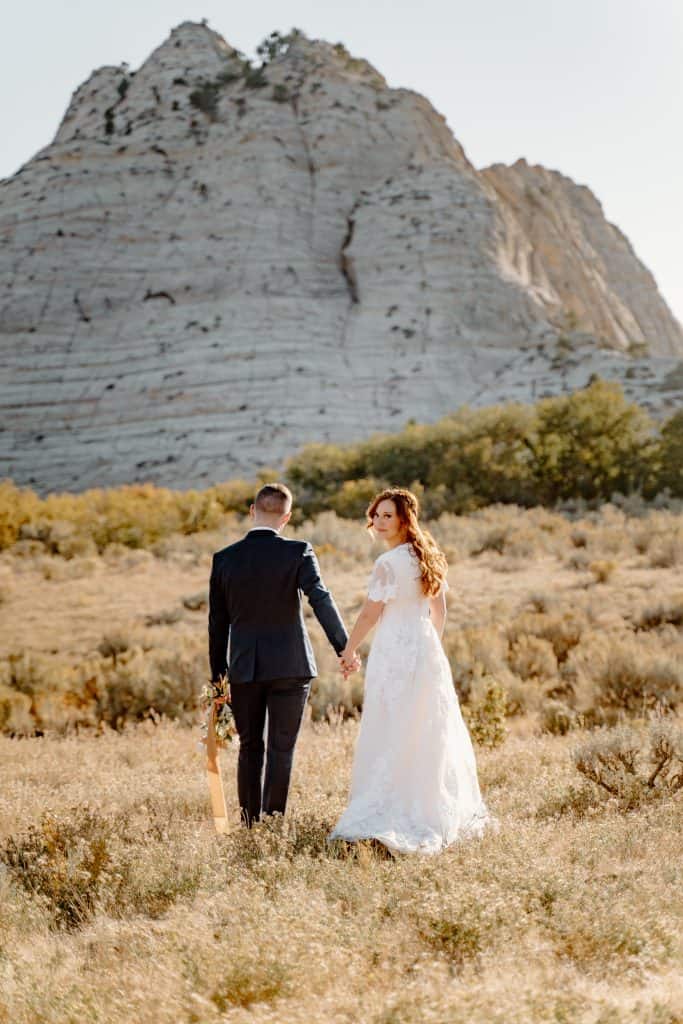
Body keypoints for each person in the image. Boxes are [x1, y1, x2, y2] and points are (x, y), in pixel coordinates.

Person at [330, 487, 492, 854]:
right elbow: (440, 613)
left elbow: (371, 613)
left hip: (395, 650)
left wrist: (349, 649)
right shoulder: (427, 557)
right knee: (425, 726)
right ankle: (427, 804)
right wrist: (428, 646)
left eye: (388, 515)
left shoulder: (387, 564)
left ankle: (395, 809)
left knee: (394, 724)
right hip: (425, 649)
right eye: (377, 514)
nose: (380, 521)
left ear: (405, 519)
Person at [208, 483, 359, 826]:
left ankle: (249, 826)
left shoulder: (225, 559)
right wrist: (344, 647)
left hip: (244, 669)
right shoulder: (298, 551)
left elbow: (217, 624)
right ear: (287, 518)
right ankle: (273, 823)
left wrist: (218, 678)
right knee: (281, 749)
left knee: (249, 748)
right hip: (292, 666)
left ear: (252, 510)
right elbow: (320, 598)